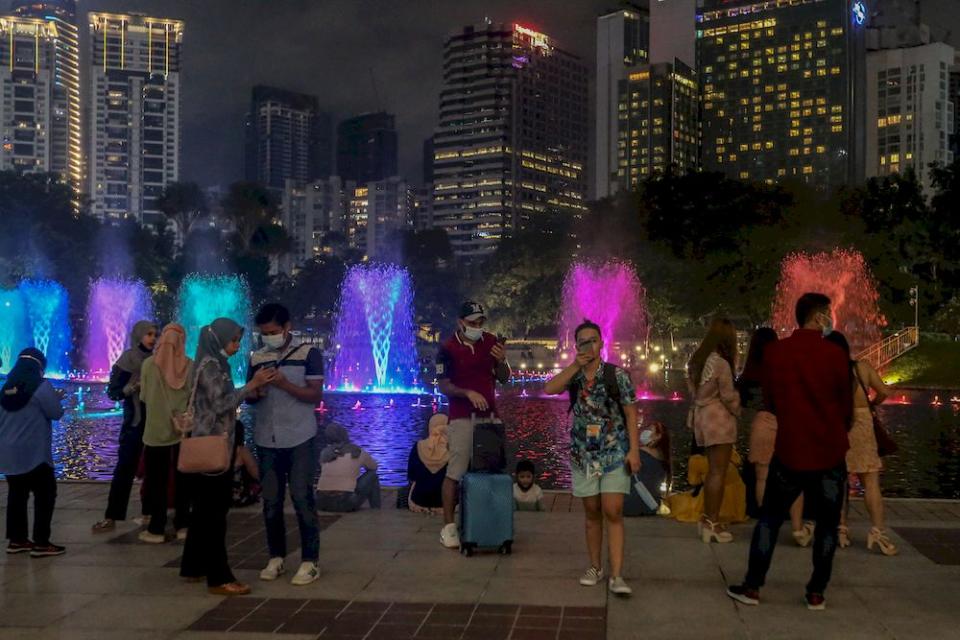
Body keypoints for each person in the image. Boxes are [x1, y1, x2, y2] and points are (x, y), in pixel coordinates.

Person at [727, 293, 853, 611]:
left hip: (791, 449)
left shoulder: (776, 353)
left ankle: (753, 586)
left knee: (769, 519)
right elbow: (845, 407)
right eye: (828, 314)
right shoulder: (836, 354)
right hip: (828, 451)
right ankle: (816, 592)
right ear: (820, 316)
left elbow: (771, 400)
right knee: (826, 524)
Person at [180, 318, 277, 596]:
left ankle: (193, 566)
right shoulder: (211, 366)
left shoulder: (214, 363)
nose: (236, 345)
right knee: (214, 514)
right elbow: (221, 404)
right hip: (213, 445)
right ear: (218, 339)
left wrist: (249, 390)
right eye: (233, 340)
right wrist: (250, 386)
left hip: (210, 440)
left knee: (202, 511)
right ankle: (219, 576)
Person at [544, 320, 640, 596]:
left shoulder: (616, 376)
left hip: (614, 453)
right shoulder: (574, 376)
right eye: (583, 341)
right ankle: (595, 567)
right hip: (582, 454)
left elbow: (632, 413)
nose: (589, 345)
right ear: (577, 346)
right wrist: (575, 365)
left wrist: (634, 450)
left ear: (602, 343)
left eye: (593, 340)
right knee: (591, 512)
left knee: (613, 511)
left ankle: (617, 575)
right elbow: (550, 389)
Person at [248, 303, 324, 586]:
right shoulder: (257, 357)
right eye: (264, 333)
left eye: (273, 332)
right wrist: (256, 388)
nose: (269, 337)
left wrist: (283, 384)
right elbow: (250, 397)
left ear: (287, 327)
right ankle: (276, 557)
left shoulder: (308, 354)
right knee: (270, 501)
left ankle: (310, 561)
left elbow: (315, 396)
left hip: (300, 436)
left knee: (302, 499)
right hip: (267, 437)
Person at [434, 301, 510, 549]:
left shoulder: (490, 342)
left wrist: (502, 361)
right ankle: (448, 526)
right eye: (472, 323)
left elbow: (504, 377)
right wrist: (467, 393)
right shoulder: (447, 348)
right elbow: (443, 384)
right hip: (461, 416)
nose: (477, 327)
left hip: (491, 415)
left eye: (480, 323)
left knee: (493, 468)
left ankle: (489, 520)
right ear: (460, 322)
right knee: (455, 470)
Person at [825, 331, 898, 556]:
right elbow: (884, 391)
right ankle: (877, 531)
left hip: (840, 425)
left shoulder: (828, 372)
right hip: (863, 423)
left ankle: (841, 529)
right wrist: (873, 404)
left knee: (840, 480)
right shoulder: (862, 368)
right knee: (871, 481)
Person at [738, 328, 812, 546]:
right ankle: (798, 529)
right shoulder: (785, 367)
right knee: (794, 478)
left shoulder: (751, 373)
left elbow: (744, 404)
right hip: (789, 422)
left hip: (762, 423)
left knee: (762, 477)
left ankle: (766, 525)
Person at [92, 320, 157, 533]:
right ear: (138, 335)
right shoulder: (128, 359)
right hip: (135, 423)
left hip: (157, 422)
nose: (152, 338)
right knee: (125, 469)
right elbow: (113, 392)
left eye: (155, 334)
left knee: (154, 469)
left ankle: (151, 513)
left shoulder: (159, 359)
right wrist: (132, 388)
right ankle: (112, 515)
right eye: (148, 334)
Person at [0, 349, 65, 557]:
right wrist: (57, 398)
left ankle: (17, 540)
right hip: (35, 454)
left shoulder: (5, 389)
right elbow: (55, 413)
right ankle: (41, 542)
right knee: (45, 495)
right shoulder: (41, 387)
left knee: (17, 495)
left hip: (9, 454)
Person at [137, 323, 193, 544]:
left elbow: (143, 397)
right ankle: (183, 524)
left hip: (155, 431)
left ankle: (157, 528)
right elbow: (192, 396)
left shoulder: (149, 365)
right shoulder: (189, 365)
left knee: (156, 480)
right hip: (182, 431)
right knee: (184, 480)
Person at [687, 317, 741, 543]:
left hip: (702, 418)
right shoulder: (720, 363)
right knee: (718, 472)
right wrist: (739, 407)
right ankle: (713, 523)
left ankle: (706, 519)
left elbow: (693, 392)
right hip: (719, 419)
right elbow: (728, 395)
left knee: (712, 472)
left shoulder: (697, 361)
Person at [316, 423, 382, 512]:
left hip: (321, 502)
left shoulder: (324, 453)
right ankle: (376, 509)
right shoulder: (356, 451)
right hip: (346, 502)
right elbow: (373, 467)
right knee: (372, 475)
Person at [624, 421, 670, 517]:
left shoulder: (640, 453)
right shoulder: (664, 458)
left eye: (650, 430)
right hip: (651, 506)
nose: (645, 431)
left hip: (629, 505)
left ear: (658, 436)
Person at [406, 413, 449, 514]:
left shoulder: (418, 446)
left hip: (418, 501)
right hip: (446, 504)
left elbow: (411, 476)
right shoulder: (453, 448)